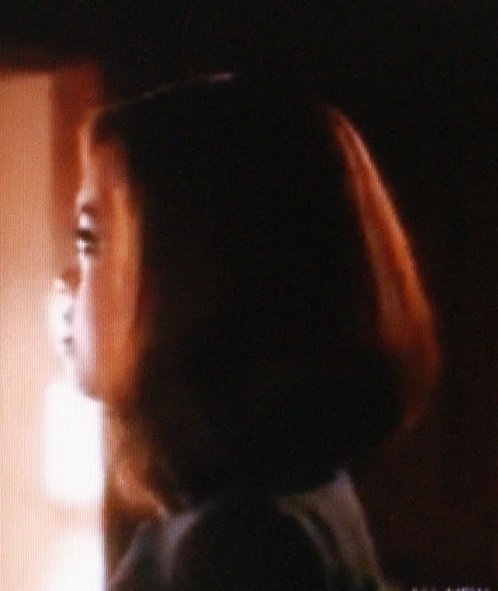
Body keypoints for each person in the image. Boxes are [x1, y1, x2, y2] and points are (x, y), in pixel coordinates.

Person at [54, 75, 439, 590]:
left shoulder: (239, 547)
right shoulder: (300, 495)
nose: (68, 280)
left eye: (91, 241)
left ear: (189, 271)